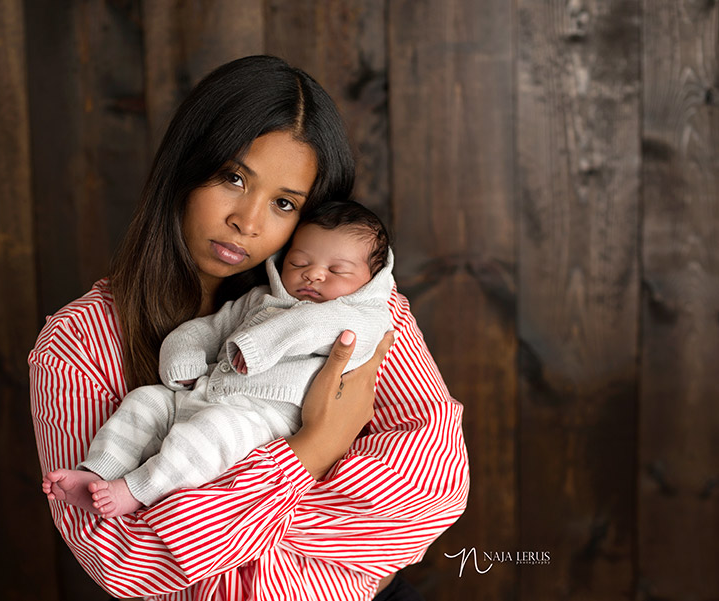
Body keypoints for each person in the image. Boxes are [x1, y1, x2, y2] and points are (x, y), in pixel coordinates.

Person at [29, 55, 468, 601]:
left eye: (284, 203)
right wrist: (315, 448)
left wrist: (200, 527)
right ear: (186, 168)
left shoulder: (356, 309)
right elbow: (124, 564)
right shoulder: (78, 344)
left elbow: (436, 486)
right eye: (233, 178)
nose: (249, 222)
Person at [42, 200, 395, 518]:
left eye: (337, 271)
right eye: (299, 262)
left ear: (370, 281)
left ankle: (135, 489)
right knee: (144, 403)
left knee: (204, 438)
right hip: (202, 393)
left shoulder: (363, 316)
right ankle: (100, 471)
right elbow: (208, 329)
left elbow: (311, 325)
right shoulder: (260, 299)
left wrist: (256, 346)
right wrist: (183, 360)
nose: (313, 274)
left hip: (260, 422)